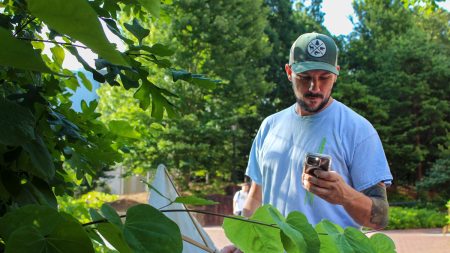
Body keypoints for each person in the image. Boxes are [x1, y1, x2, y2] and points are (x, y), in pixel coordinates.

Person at [221, 32, 393, 253]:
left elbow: (380, 217)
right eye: (305, 77)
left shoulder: (358, 130)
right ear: (289, 72)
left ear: (336, 74)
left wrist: (345, 195)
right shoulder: (269, 127)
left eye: (324, 78)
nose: (315, 87)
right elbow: (256, 196)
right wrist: (242, 243)